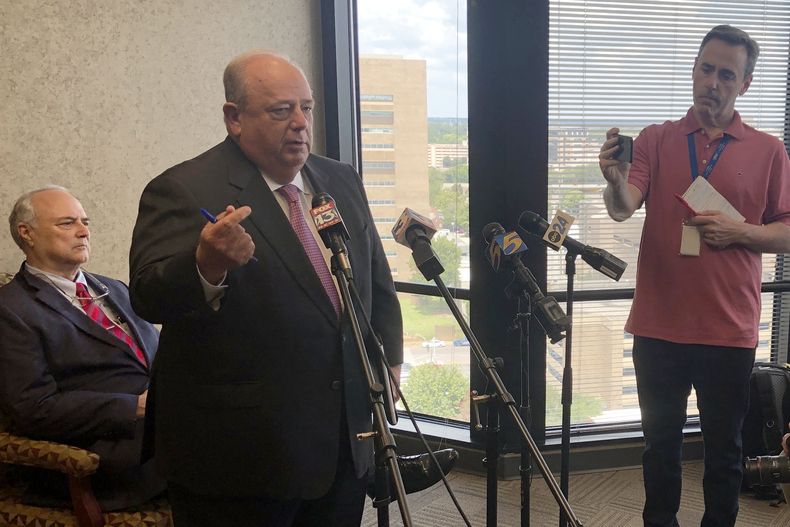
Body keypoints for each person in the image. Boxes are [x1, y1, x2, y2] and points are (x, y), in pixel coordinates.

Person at [128, 51, 406, 526]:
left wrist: (389, 365)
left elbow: (374, 283)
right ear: (234, 118)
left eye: (307, 108)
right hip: (240, 456)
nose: (300, 123)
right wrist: (205, 264)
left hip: (340, 441)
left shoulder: (339, 179)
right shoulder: (184, 188)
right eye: (281, 111)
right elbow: (148, 296)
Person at [598, 25, 790, 527]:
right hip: (658, 327)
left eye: (727, 74)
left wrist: (740, 232)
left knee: (724, 456)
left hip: (728, 332)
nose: (713, 82)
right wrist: (616, 182)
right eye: (706, 69)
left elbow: (788, 231)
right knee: (659, 451)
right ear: (693, 71)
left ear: (744, 85)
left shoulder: (768, 151)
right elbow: (623, 208)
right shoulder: (658, 140)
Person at [0, 185, 166, 511]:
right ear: (27, 233)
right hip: (100, 454)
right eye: (67, 223)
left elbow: (157, 358)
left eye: (85, 221)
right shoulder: (11, 309)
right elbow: (33, 408)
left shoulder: (115, 289)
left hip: (166, 429)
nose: (84, 231)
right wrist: (136, 406)